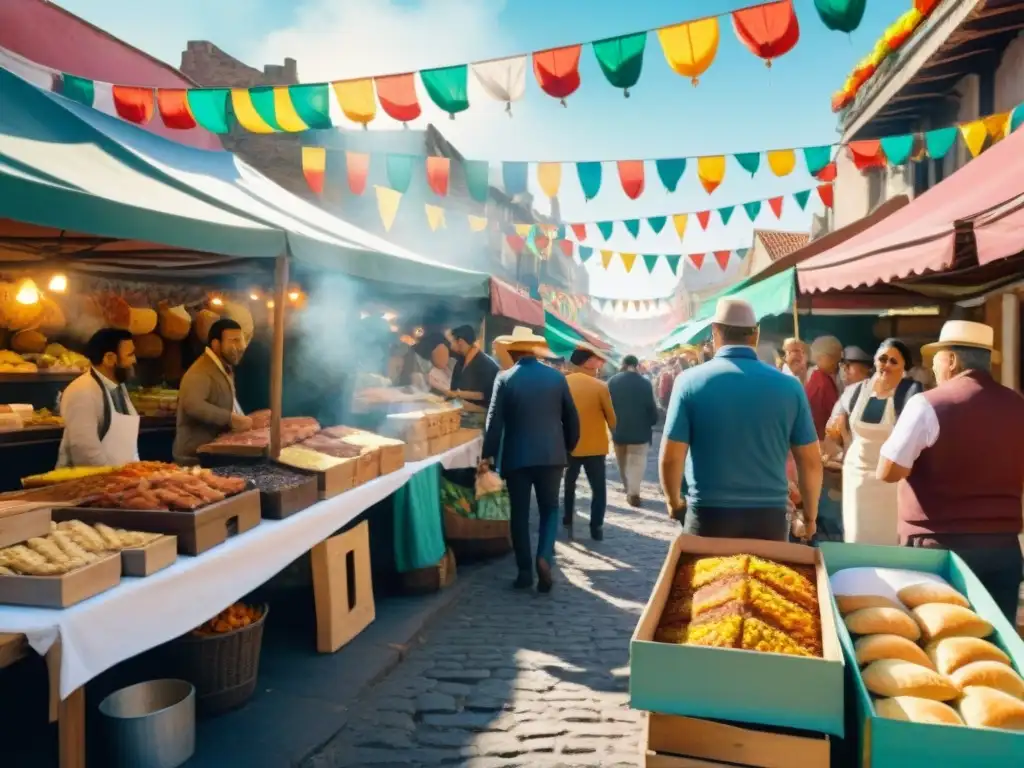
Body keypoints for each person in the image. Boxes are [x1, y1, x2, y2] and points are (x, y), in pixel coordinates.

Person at [877, 321, 1024, 621]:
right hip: (1003, 548)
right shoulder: (1018, 405)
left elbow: (888, 470)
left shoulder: (927, 404)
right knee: (999, 646)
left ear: (953, 360)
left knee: (936, 642)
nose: (933, 368)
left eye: (937, 359)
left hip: (939, 547)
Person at [659, 299, 821, 541]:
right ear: (756, 333)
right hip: (770, 519)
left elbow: (672, 457)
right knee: (766, 578)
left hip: (708, 516)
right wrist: (810, 516)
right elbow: (810, 462)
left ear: (715, 331)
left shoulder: (689, 382)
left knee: (710, 579)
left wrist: (674, 502)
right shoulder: (790, 386)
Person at [481, 327, 580, 592]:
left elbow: (494, 424)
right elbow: (571, 417)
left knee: (520, 514)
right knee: (550, 510)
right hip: (551, 455)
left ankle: (525, 571)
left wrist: (487, 456)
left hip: (516, 457)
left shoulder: (504, 378)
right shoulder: (557, 378)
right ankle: (544, 557)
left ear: (512, 352)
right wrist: (568, 448)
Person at [827, 338, 922, 545]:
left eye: (893, 361)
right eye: (882, 359)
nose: (886, 365)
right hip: (856, 473)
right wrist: (836, 424)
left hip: (890, 476)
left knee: (888, 535)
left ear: (904, 366)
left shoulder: (910, 392)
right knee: (857, 533)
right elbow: (833, 424)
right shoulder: (855, 391)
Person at [174, 318, 253, 465]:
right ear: (216, 344)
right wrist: (230, 419)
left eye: (241, 341)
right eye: (233, 341)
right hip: (194, 458)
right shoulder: (200, 371)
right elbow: (193, 405)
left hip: (213, 455)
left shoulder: (223, 367)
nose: (240, 347)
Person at [56, 328, 139, 467]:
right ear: (109, 359)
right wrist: (114, 481)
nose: (134, 360)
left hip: (121, 480)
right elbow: (85, 452)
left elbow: (129, 446)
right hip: (90, 483)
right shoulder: (82, 392)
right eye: (130, 355)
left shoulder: (118, 387)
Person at [564, 344, 616, 541]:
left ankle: (568, 518)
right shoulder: (600, 386)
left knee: (569, 484)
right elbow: (612, 419)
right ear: (587, 363)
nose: (599, 362)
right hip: (595, 446)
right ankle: (596, 527)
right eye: (595, 359)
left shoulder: (563, 383)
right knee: (598, 488)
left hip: (570, 444)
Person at [608, 354, 658, 507]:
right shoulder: (645, 383)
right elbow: (651, 407)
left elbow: (607, 406)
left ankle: (627, 487)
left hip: (619, 430)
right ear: (636, 365)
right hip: (640, 431)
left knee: (622, 462)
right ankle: (633, 492)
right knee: (636, 462)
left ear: (622, 365)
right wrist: (652, 421)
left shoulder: (612, 382)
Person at [448, 325, 499, 429]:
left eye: (452, 342)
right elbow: (453, 390)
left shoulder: (487, 364)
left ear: (460, 341)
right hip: (462, 416)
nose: (450, 346)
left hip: (482, 421)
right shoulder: (459, 363)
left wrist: (458, 395)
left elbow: (486, 396)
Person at [805, 336, 843, 440]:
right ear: (821, 357)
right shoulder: (821, 381)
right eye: (833, 359)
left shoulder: (819, 377)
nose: (836, 364)